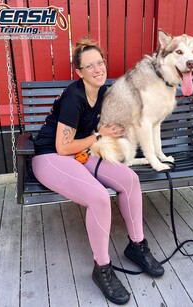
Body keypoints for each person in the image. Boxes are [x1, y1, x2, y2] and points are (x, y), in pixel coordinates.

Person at [32, 38, 164, 305]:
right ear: (79, 72)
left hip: (79, 154)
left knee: (129, 179)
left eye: (100, 63)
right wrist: (100, 136)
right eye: (89, 66)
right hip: (50, 156)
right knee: (99, 197)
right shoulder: (74, 97)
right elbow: (62, 145)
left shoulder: (103, 92)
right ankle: (102, 267)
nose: (97, 69)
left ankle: (137, 245)